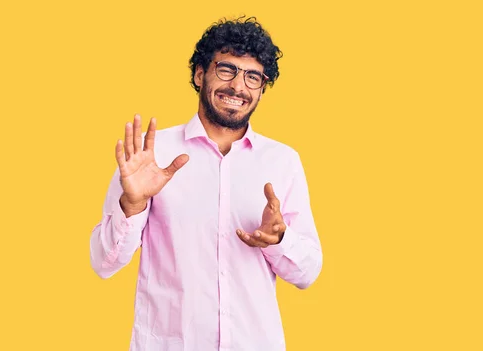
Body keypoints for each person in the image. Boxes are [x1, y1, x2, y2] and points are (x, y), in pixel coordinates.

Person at [89, 16, 323, 351]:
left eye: (253, 77)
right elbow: (103, 263)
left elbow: (308, 272)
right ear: (200, 74)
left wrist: (279, 239)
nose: (238, 87)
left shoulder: (283, 162)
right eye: (227, 69)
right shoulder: (150, 155)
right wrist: (133, 205)